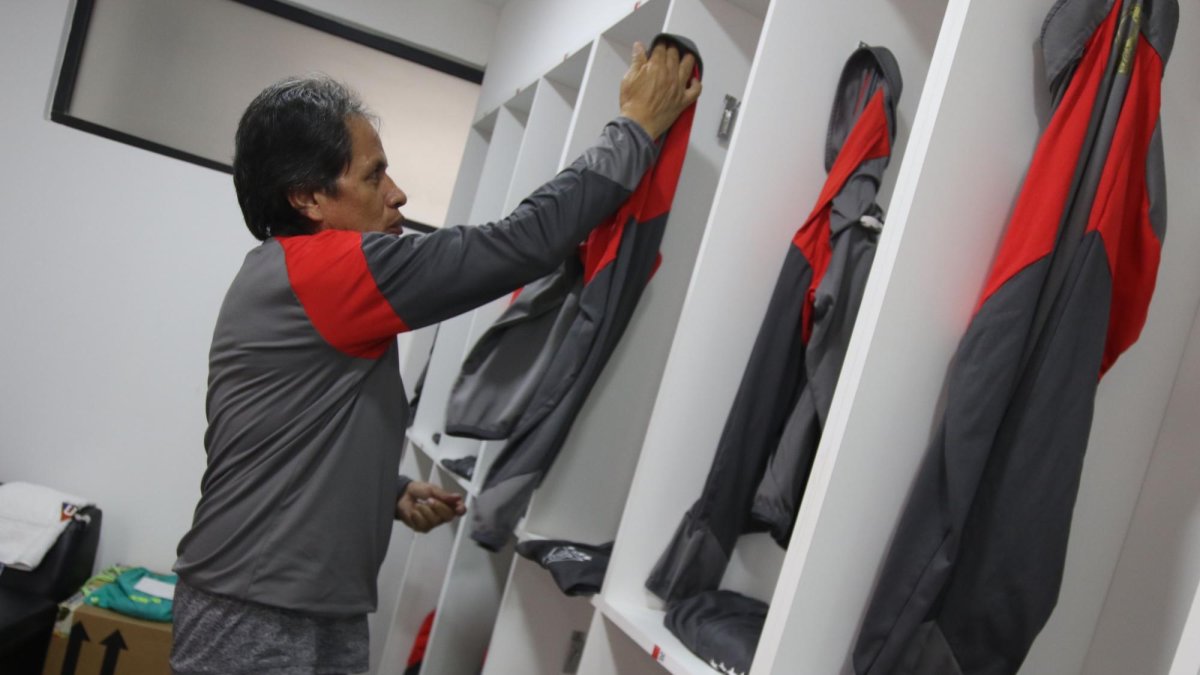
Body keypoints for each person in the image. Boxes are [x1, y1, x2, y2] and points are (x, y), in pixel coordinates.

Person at [170, 40, 700, 675]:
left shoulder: (286, 278)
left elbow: (285, 435)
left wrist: (387, 492)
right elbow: (521, 244)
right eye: (372, 176)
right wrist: (637, 128)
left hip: (304, 606)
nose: (396, 194)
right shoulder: (320, 269)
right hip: (256, 616)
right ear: (308, 198)